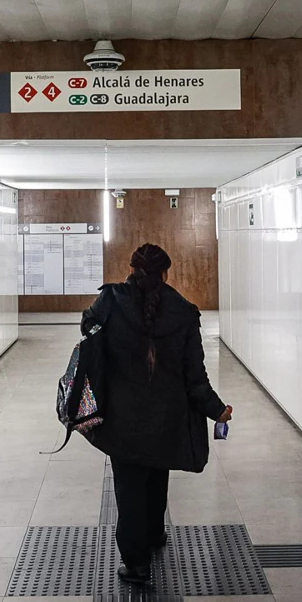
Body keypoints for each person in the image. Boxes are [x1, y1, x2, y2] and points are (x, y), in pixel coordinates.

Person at [82, 243, 232, 584]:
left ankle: (136, 564)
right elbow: (196, 378)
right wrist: (218, 410)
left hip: (122, 417)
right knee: (156, 473)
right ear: (166, 273)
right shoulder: (183, 311)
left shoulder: (111, 301)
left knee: (129, 487)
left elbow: (87, 329)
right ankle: (154, 534)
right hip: (167, 418)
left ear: (132, 269)